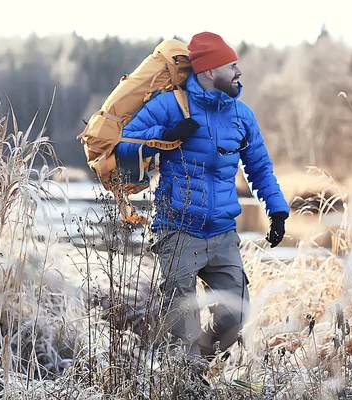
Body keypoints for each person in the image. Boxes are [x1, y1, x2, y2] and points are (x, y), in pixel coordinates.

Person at [114, 32, 289, 361]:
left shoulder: (242, 115)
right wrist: (164, 136)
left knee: (234, 318)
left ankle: (195, 373)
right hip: (177, 231)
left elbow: (260, 168)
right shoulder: (170, 106)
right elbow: (124, 146)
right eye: (232, 66)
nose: (239, 73)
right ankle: (186, 381)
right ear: (209, 71)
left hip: (223, 234)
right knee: (182, 332)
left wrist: (276, 210)